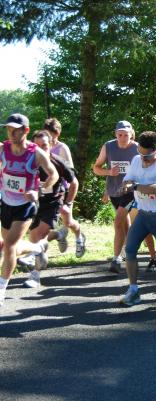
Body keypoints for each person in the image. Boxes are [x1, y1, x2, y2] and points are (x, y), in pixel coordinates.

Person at [0, 114, 58, 307]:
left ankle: (1, 290)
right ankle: (37, 248)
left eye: (15, 130)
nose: (11, 133)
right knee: (11, 247)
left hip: (26, 206)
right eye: (8, 129)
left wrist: (39, 190)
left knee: (9, 246)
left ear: (25, 130)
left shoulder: (36, 153)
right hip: (6, 203)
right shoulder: (3, 149)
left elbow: (53, 174)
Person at [117, 131, 156, 308]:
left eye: (148, 156)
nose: (144, 159)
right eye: (141, 154)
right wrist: (125, 186)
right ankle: (134, 290)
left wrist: (136, 186)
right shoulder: (136, 160)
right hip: (143, 214)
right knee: (130, 249)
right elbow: (127, 180)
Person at [21, 130, 78, 288]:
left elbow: (74, 183)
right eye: (37, 146)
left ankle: (35, 276)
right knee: (34, 238)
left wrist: (68, 203)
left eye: (44, 145)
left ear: (51, 145)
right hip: (35, 204)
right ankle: (58, 235)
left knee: (39, 235)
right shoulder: (28, 162)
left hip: (53, 203)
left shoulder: (58, 162)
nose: (41, 149)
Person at [93, 120, 138, 273]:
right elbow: (96, 168)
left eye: (126, 135)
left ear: (131, 134)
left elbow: (146, 168)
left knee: (118, 221)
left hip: (130, 191)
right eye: (120, 135)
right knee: (124, 222)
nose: (123, 138)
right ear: (116, 134)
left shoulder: (137, 148)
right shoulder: (108, 146)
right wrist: (109, 172)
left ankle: (116, 258)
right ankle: (128, 249)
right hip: (114, 190)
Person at [43, 117, 86, 257]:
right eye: (47, 133)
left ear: (58, 133)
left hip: (64, 189)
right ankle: (58, 236)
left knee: (67, 220)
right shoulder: (39, 147)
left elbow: (71, 174)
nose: (50, 137)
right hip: (46, 191)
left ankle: (79, 236)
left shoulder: (62, 148)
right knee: (44, 224)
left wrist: (68, 200)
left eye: (53, 134)